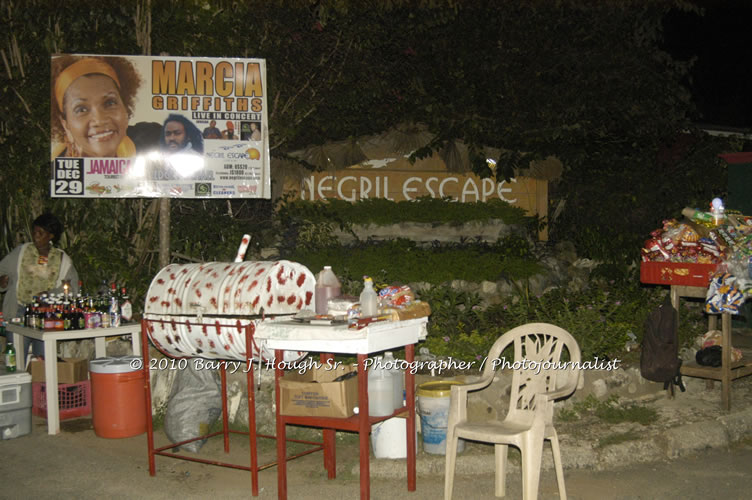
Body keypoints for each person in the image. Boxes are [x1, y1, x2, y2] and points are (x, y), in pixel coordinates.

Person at [0, 213, 80, 356]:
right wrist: (3, 282)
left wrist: (49, 295)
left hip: (47, 315)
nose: (36, 236)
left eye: (40, 233)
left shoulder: (62, 259)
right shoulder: (22, 252)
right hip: (19, 311)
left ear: (51, 236)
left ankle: (41, 377)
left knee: (43, 358)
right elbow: (2, 270)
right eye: (34, 232)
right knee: (16, 356)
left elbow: (73, 289)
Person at [51, 55, 146, 159]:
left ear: (125, 108)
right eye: (81, 109)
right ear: (65, 124)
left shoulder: (152, 137)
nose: (99, 120)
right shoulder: (57, 170)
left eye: (109, 103)